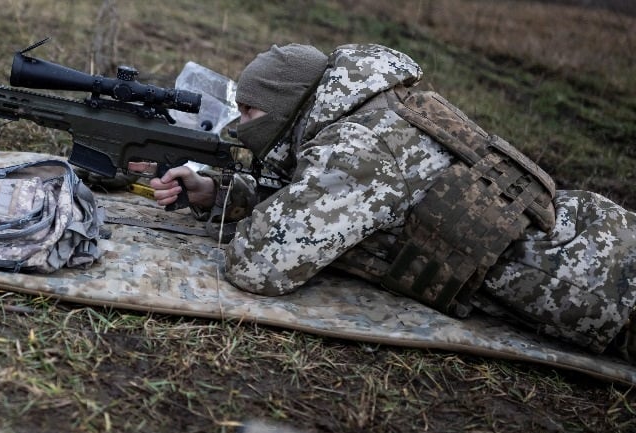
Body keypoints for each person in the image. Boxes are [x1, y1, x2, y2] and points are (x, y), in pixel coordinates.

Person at [138, 43, 636, 359]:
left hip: (601, 286)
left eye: (248, 110)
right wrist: (221, 192)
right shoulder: (372, 110)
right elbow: (328, 204)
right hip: (594, 239)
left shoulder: (356, 149)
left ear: (288, 104)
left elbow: (259, 266)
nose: (241, 124)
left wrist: (244, 213)